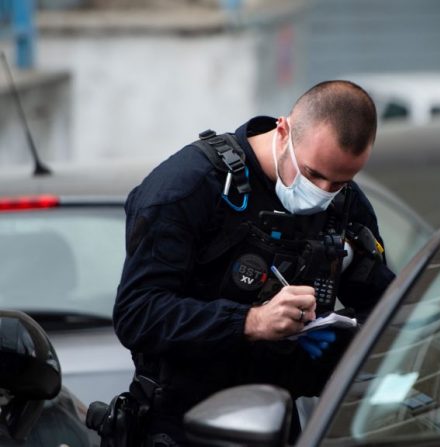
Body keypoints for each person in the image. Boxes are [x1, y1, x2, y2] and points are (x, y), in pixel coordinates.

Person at [107, 80, 396, 445]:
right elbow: (137, 313)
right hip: (181, 425)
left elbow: (386, 307)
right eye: (312, 175)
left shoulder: (346, 204)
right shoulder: (188, 187)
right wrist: (251, 321)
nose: (323, 193)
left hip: (277, 422)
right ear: (283, 130)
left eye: (339, 182)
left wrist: (336, 336)